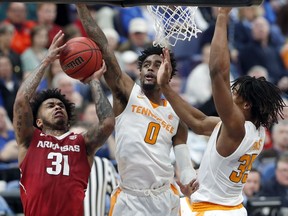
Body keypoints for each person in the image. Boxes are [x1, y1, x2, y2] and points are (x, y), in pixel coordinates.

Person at [157, 7, 285, 216]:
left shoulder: (236, 127)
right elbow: (198, 122)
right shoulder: (257, 129)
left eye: (235, 93)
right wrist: (166, 88)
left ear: (246, 105)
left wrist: (222, 16)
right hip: (228, 207)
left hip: (212, 210)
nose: (230, 94)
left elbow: (218, 73)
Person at [76, 4, 198, 216]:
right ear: (140, 72)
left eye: (158, 64)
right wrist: (81, 6)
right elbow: (103, 46)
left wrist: (188, 180)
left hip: (165, 196)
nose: (151, 67)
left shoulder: (177, 113)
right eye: (146, 64)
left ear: (168, 74)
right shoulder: (128, 94)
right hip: (130, 198)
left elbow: (183, 159)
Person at [12, 30, 115, 216]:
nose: (57, 107)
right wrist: (45, 61)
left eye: (60, 105)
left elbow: (107, 123)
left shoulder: (81, 142)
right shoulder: (30, 139)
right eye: (50, 106)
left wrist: (94, 82)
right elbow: (21, 101)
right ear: (38, 121)